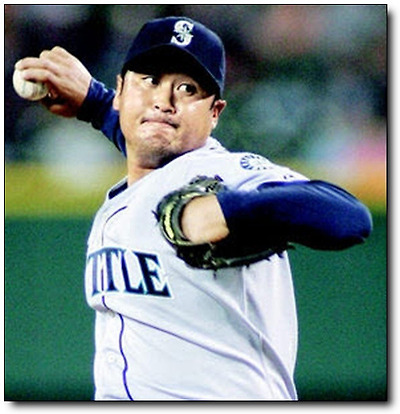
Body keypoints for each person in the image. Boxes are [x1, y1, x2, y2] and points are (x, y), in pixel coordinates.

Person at [15, 16, 372, 401]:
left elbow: (349, 218)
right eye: (149, 80)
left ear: (214, 112)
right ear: (121, 90)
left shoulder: (228, 172)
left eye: (187, 89)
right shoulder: (143, 182)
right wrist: (96, 104)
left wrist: (230, 211)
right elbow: (147, 144)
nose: (163, 102)